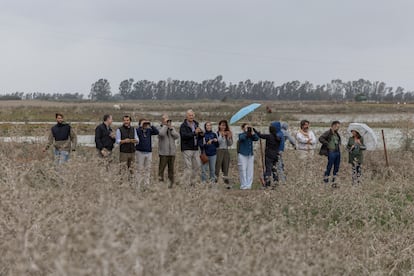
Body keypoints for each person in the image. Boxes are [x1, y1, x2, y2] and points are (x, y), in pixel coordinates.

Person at [179, 109, 203, 186]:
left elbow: (198, 135)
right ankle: (186, 183)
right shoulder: (183, 126)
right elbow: (184, 136)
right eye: (190, 115)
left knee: (197, 165)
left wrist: (201, 134)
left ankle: (193, 182)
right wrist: (194, 133)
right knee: (188, 166)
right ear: (186, 116)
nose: (191, 117)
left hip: (195, 148)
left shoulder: (196, 124)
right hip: (186, 148)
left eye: (192, 115)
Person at [135, 118, 159, 187]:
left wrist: (151, 125)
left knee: (147, 169)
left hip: (148, 152)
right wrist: (141, 126)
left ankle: (146, 184)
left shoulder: (149, 130)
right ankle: (138, 185)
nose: (145, 124)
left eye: (146, 123)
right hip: (140, 152)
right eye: (144, 123)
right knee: (139, 169)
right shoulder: (137, 130)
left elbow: (157, 132)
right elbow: (137, 133)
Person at [158, 114, 179, 188]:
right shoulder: (160, 128)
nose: (167, 121)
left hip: (172, 153)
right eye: (165, 120)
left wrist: (171, 128)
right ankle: (160, 185)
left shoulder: (172, 128)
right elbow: (161, 134)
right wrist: (165, 126)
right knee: (161, 170)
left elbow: (176, 136)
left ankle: (171, 185)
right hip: (163, 153)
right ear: (162, 120)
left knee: (171, 170)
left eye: (168, 120)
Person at [319, 121, 341, 187]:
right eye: (337, 126)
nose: (338, 128)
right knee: (329, 166)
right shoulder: (328, 132)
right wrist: (327, 144)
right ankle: (326, 181)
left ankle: (334, 182)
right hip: (331, 152)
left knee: (336, 167)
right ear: (333, 126)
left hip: (337, 152)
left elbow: (338, 141)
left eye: (339, 127)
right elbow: (320, 138)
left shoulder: (337, 133)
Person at [237, 123, 259, 190]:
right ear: (243, 128)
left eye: (248, 127)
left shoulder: (251, 135)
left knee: (250, 170)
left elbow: (257, 138)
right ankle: (244, 185)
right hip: (242, 154)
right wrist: (246, 133)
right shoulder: (241, 134)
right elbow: (242, 138)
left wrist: (252, 132)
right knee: (242, 170)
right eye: (246, 127)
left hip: (250, 154)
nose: (248, 129)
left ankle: (249, 185)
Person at [215, 120, 233, 187]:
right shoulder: (216, 133)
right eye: (222, 125)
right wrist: (222, 135)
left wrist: (228, 137)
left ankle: (227, 184)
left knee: (225, 168)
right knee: (217, 168)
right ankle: (215, 183)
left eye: (224, 125)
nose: (223, 127)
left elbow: (230, 144)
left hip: (226, 151)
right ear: (219, 126)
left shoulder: (228, 133)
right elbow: (218, 142)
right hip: (218, 151)